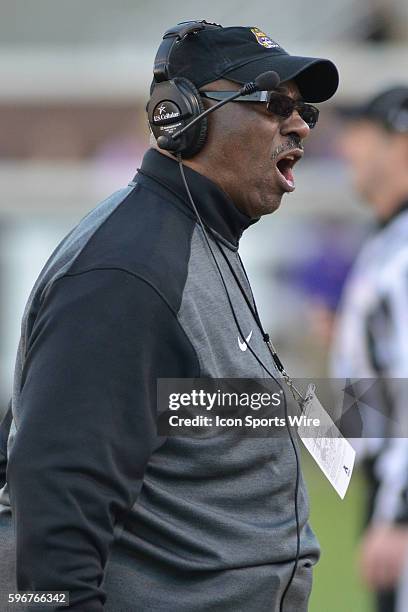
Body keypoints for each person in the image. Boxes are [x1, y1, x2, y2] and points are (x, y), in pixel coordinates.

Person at [0, 21, 338, 611]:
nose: (301, 124)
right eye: (273, 102)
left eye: (304, 107)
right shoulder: (126, 273)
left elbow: (188, 411)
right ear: (182, 118)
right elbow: (54, 502)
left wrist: (375, 410)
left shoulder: (202, 240)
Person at [331, 86, 408, 612]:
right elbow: (362, 413)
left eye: (362, 133)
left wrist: (400, 515)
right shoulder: (387, 242)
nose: (346, 148)